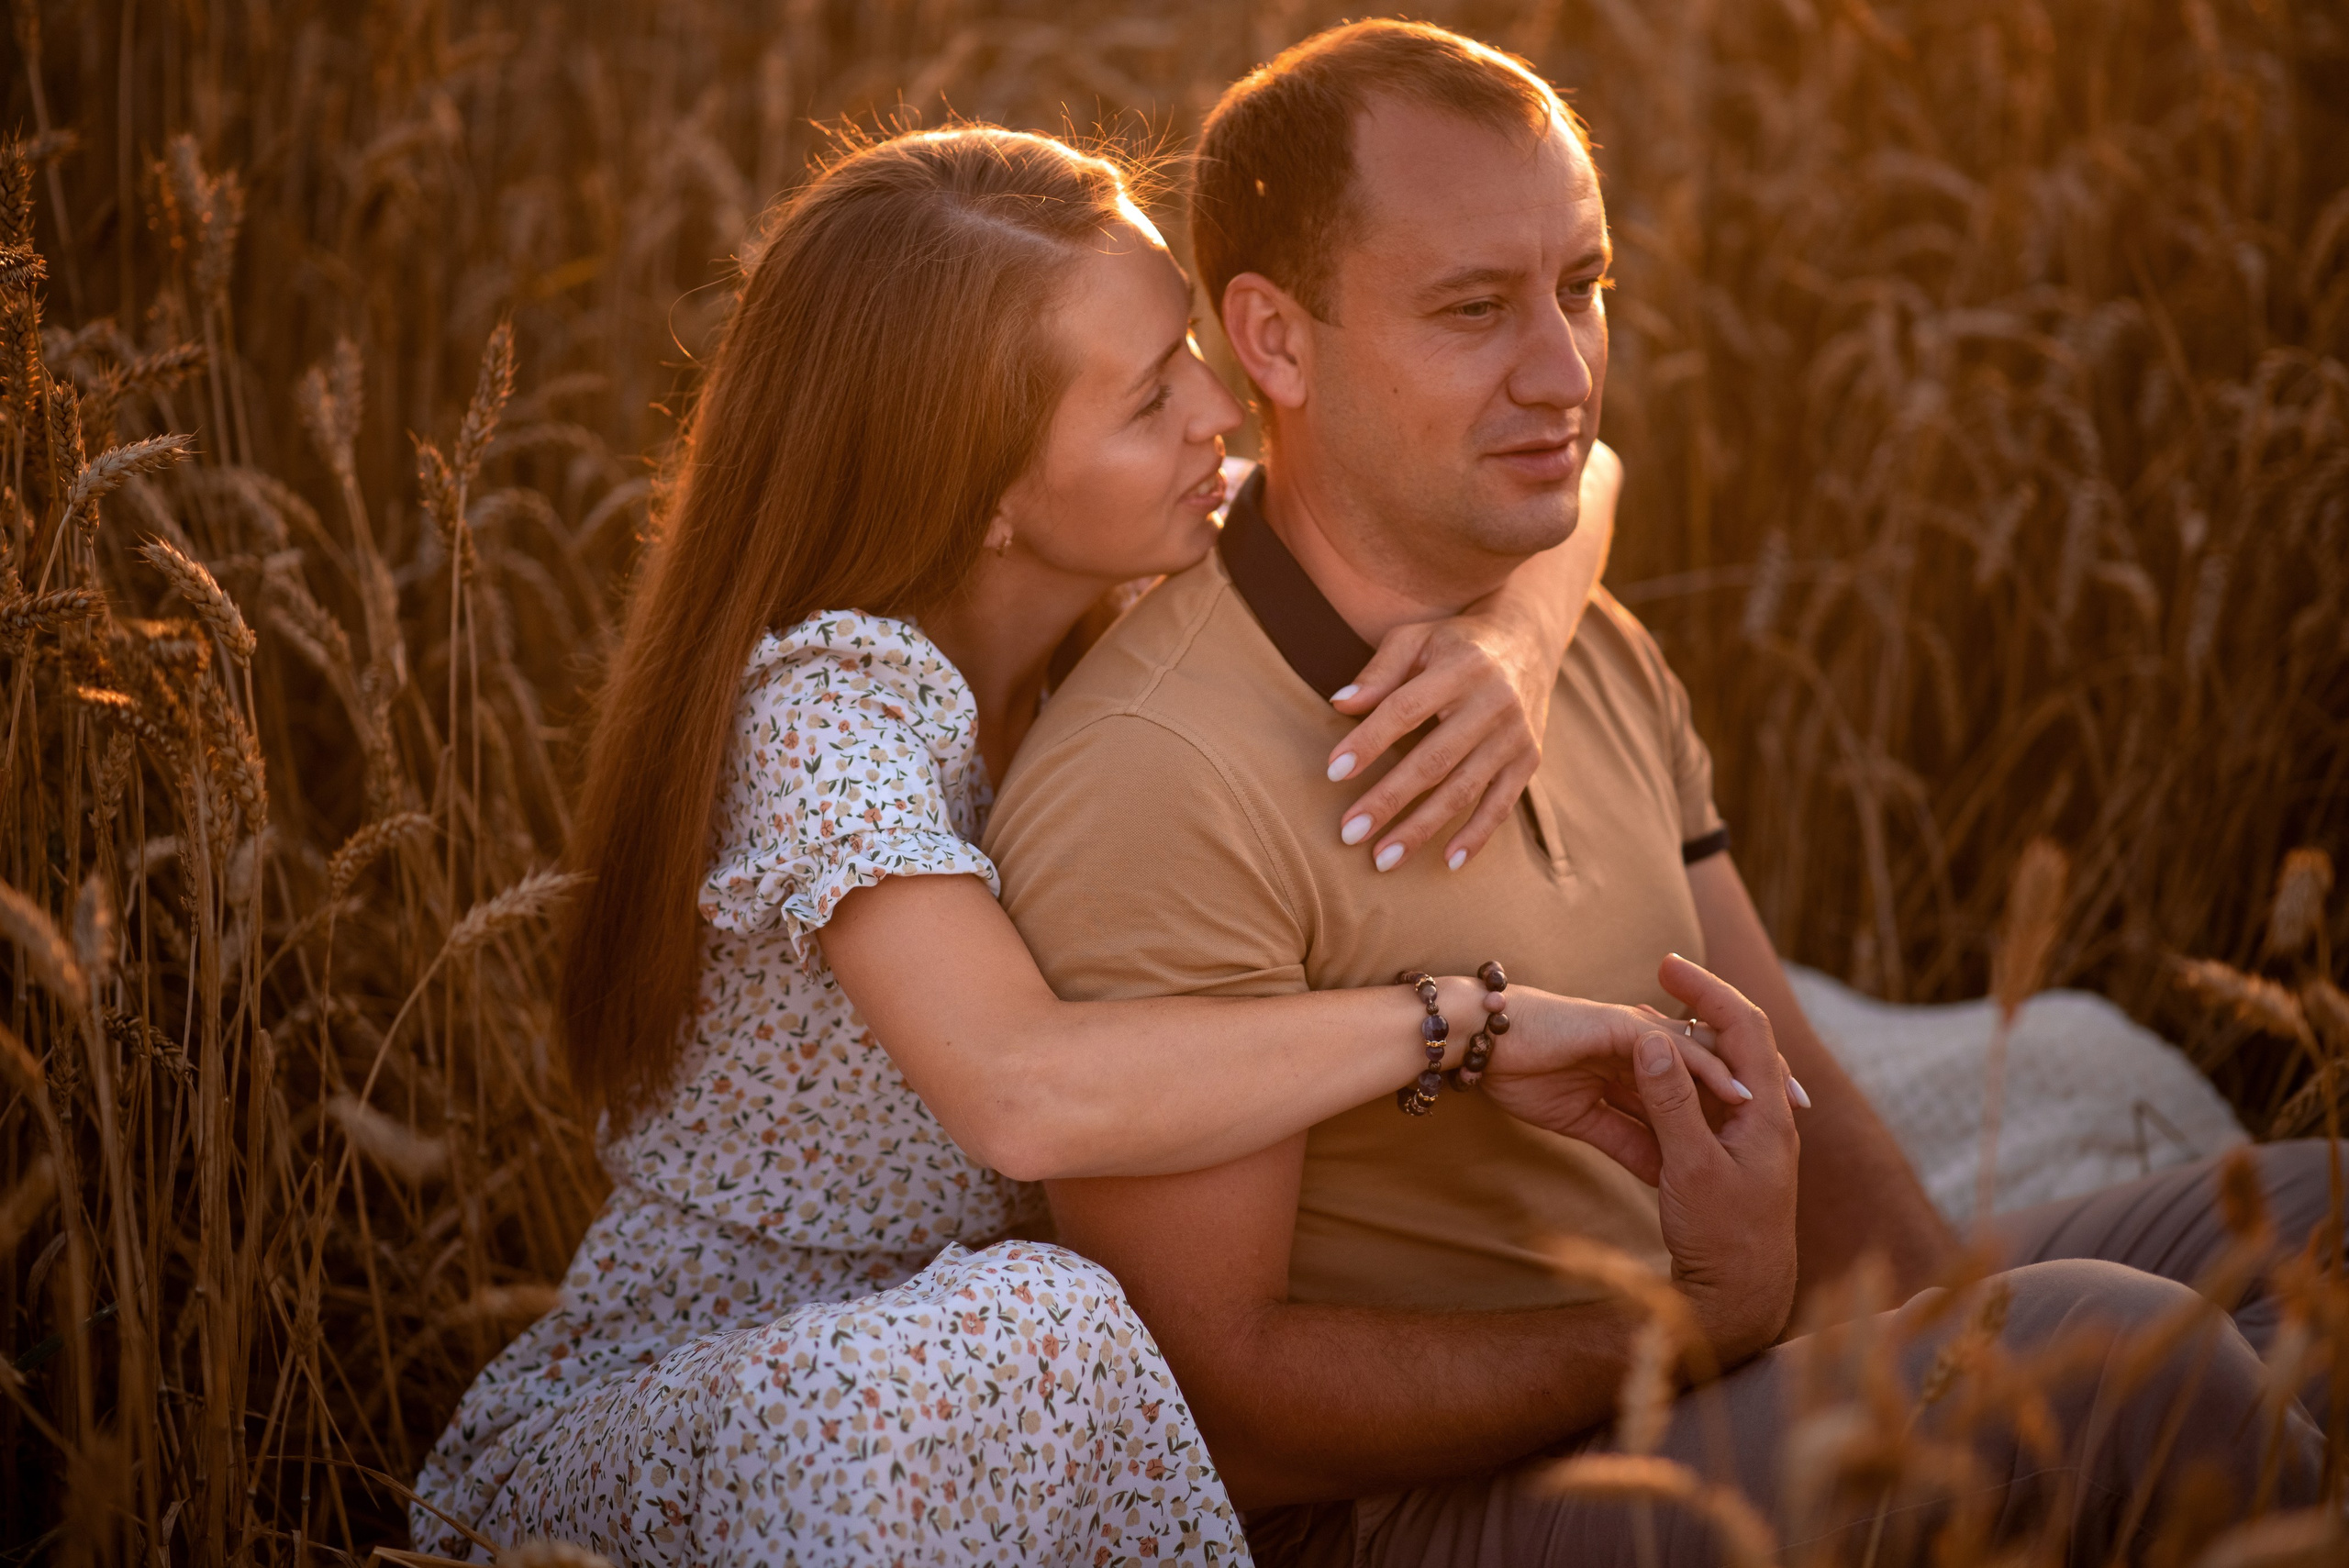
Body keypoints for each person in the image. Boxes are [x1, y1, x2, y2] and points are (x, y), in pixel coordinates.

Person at [983, 20, 2337, 1566]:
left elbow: (1801, 1115)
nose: (1565, 374)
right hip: (1433, 1513)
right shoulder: (1162, 772)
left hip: (1721, 1367)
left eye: (1584, 285)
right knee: (2128, 1370)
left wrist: (1930, 1346)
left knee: (2318, 1217)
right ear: (1276, 342)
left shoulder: (1576, 639)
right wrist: (1701, 1336)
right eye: (1474, 308)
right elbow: (1217, 1409)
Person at [409, 123, 1782, 1566]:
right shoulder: (821, 715)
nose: (1220, 408)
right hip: (737, 1425)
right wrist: (1460, 1020)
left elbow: (1590, 471)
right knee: (1050, 1323)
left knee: (1042, 1336)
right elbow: (1022, 1093)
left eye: (1190, 350)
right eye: (1147, 400)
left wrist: (1512, 638)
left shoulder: (1114, 605)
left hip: (977, 1428)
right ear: (988, 491)